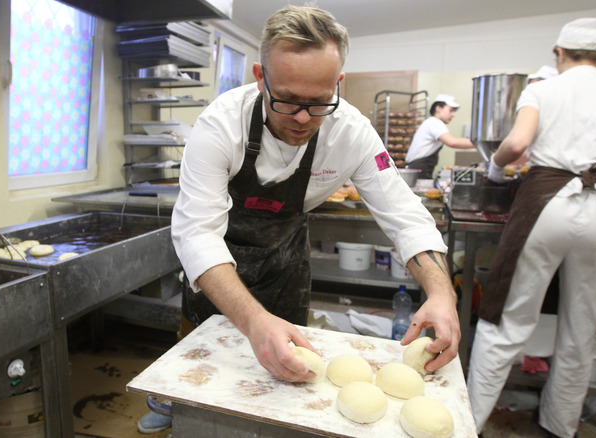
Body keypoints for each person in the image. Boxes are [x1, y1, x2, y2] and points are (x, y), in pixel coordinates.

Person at [137, 5, 463, 433]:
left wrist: (442, 293)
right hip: (220, 257)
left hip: (286, 257)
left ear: (338, 83)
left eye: (319, 102)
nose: (304, 118)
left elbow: (405, 216)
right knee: (204, 366)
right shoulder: (220, 125)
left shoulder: (352, 133)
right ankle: (175, 403)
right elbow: (197, 233)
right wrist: (253, 322)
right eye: (287, 101)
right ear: (259, 76)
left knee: (291, 376)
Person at [466, 17, 596, 438]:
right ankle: (561, 425)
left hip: (547, 204)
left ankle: (468, 422)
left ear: (559, 54)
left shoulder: (543, 89)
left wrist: (494, 166)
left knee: (508, 321)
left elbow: (518, 144)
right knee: (581, 326)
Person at [405, 94, 475, 179]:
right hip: (419, 170)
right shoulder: (434, 122)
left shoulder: (431, 122)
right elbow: (452, 142)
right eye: (451, 110)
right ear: (438, 108)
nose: (453, 115)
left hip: (419, 169)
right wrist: (480, 143)